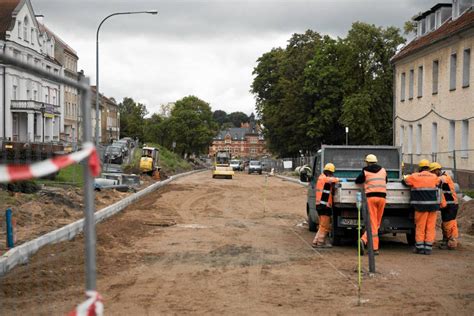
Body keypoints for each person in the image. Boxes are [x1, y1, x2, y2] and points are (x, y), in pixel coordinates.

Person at [403, 159, 441, 255]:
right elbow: (439, 184)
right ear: (429, 168)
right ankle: (428, 248)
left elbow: (404, 181)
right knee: (430, 227)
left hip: (420, 207)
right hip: (433, 206)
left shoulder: (414, 176)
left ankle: (420, 248)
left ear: (419, 168)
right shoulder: (434, 176)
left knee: (420, 227)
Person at [355, 154, 387, 255]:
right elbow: (386, 181)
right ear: (376, 161)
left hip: (371, 198)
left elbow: (358, 181)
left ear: (367, 162)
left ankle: (365, 241)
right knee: (376, 223)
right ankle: (373, 247)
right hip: (382, 198)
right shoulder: (383, 170)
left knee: (373, 223)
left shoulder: (365, 171)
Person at [429, 162, 459, 250]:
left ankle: (452, 242)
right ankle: (446, 240)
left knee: (449, 224)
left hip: (451, 205)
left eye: (432, 172)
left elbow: (436, 181)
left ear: (437, 170)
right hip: (447, 205)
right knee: (445, 223)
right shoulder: (441, 177)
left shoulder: (445, 177)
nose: (432, 174)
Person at [312, 163, 340, 248]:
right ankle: (320, 243)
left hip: (320, 205)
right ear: (328, 172)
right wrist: (339, 179)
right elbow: (333, 180)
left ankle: (315, 241)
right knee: (325, 225)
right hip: (324, 206)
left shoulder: (322, 177)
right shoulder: (324, 178)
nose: (332, 175)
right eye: (331, 173)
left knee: (322, 225)